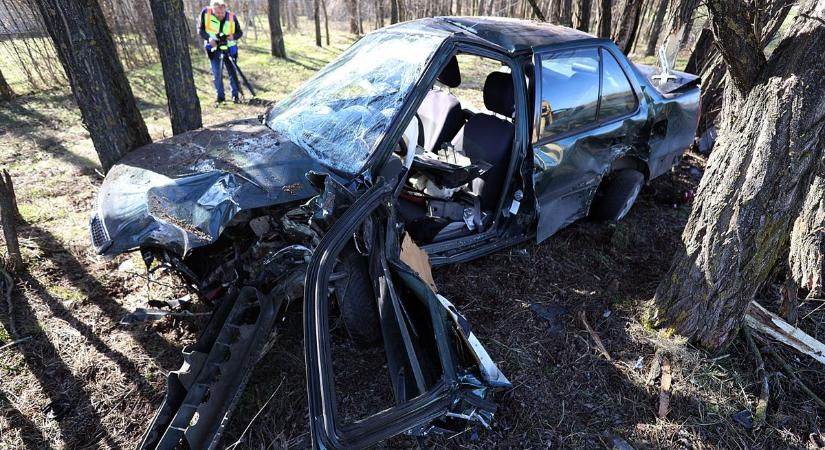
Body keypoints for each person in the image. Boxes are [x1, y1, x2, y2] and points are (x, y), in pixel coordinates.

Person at [198, 1, 243, 104]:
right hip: (213, 48)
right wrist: (209, 39)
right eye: (217, 12)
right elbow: (201, 30)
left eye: (222, 12)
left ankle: (235, 96)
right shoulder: (205, 14)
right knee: (217, 73)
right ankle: (220, 97)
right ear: (212, 10)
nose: (220, 15)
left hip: (230, 49)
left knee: (232, 72)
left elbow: (239, 32)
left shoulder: (232, 17)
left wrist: (233, 36)